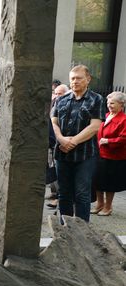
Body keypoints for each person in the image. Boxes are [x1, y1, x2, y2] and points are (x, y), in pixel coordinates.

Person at [51, 65, 104, 222]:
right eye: (72, 78)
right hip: (62, 154)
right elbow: (53, 122)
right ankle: (64, 230)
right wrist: (61, 139)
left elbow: (95, 126)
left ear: (88, 79)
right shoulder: (60, 100)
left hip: (85, 155)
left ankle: (82, 231)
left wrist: (72, 141)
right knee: (64, 194)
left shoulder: (97, 99)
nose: (75, 81)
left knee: (82, 193)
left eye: (79, 78)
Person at [94, 91, 126, 216]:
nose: (109, 105)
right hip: (100, 154)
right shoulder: (106, 115)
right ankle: (99, 204)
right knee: (97, 180)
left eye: (112, 103)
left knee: (109, 183)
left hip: (114, 156)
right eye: (108, 102)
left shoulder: (124, 119)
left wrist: (108, 141)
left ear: (121, 104)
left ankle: (108, 207)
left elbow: (124, 138)